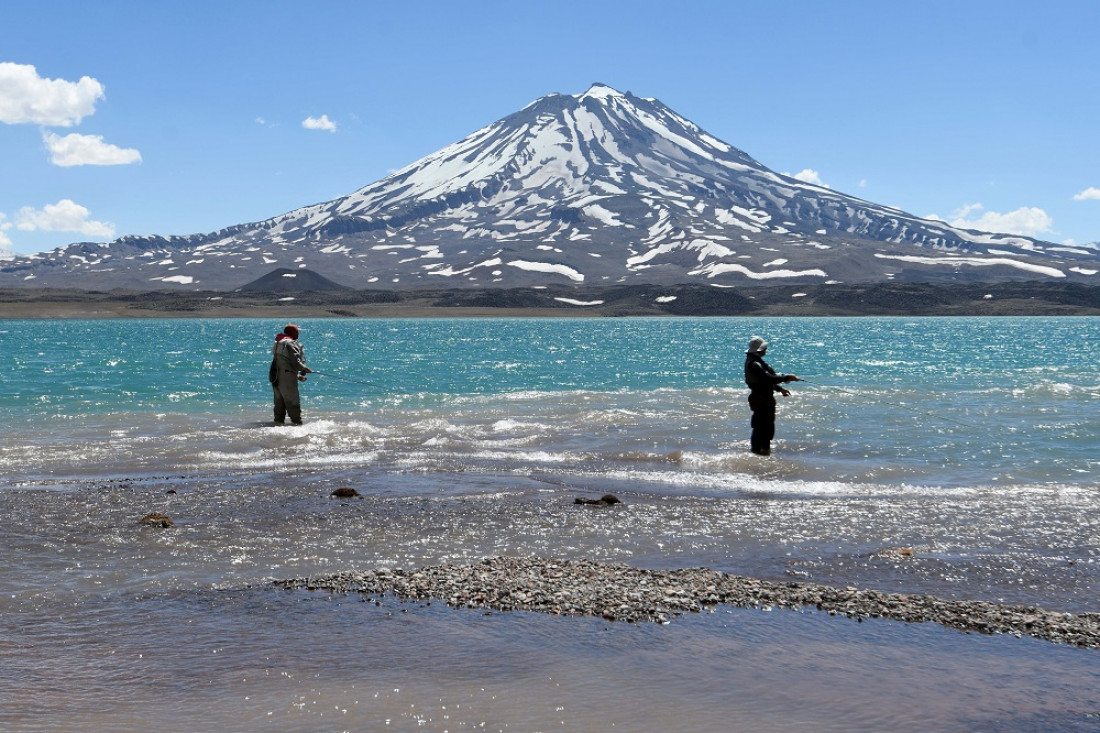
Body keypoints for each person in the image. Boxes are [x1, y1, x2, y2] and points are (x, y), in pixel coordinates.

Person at [744, 336, 800, 456]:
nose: (766, 350)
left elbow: (765, 381)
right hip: (761, 399)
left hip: (763, 398)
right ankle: (758, 452)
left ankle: (762, 452)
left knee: (766, 427)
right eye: (764, 348)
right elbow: (767, 378)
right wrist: (787, 378)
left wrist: (780, 389)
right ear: (759, 350)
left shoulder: (755, 362)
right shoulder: (754, 364)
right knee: (760, 427)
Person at [271, 323, 312, 425]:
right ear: (293, 333)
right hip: (287, 380)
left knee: (279, 407)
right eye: (297, 332)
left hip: (276, 378)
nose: (298, 334)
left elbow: (281, 363)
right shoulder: (290, 343)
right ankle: (298, 427)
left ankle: (277, 427)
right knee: (293, 404)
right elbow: (296, 362)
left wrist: (297, 376)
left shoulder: (278, 343)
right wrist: (305, 369)